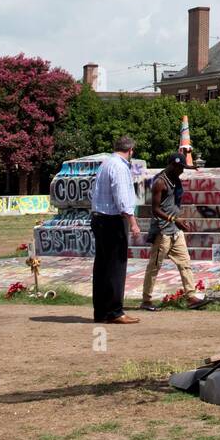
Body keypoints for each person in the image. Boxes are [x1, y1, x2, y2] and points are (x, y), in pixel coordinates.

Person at [140, 153, 205, 311]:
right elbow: (155, 209)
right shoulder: (160, 182)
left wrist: (191, 166)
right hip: (163, 231)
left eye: (182, 167)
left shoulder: (176, 175)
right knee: (154, 266)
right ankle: (146, 300)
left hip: (176, 231)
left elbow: (183, 165)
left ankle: (191, 296)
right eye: (178, 167)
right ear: (170, 165)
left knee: (185, 263)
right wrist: (174, 219)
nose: (181, 170)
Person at [90, 135, 141, 324]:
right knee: (115, 266)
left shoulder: (105, 164)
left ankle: (101, 311)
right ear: (130, 151)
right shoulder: (120, 167)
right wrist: (133, 221)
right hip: (112, 220)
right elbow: (122, 197)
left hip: (99, 218)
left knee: (102, 266)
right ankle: (115, 311)